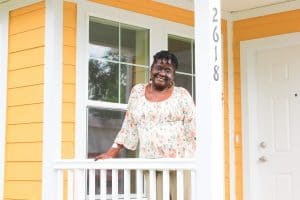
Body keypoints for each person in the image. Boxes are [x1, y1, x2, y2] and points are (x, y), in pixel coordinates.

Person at [95, 50, 196, 200]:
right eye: (158, 68)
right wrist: (111, 153)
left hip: (179, 165)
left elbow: (193, 131)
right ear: (151, 70)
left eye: (168, 70)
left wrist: (198, 161)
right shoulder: (137, 92)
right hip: (151, 163)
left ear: (173, 75)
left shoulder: (182, 95)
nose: (162, 73)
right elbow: (129, 125)